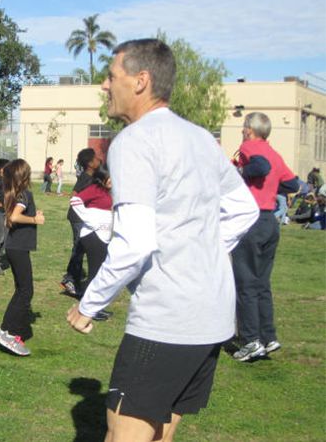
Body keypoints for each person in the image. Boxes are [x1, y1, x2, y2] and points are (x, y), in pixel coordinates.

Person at [66, 39, 258, 441]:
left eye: (111, 76)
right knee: (162, 431)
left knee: (125, 433)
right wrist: (194, 249)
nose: (104, 85)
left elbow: (133, 243)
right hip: (212, 317)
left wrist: (90, 302)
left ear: (141, 81)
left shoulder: (135, 141)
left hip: (167, 319)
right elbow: (245, 209)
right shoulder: (202, 138)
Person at [232, 112, 299, 362]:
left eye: (243, 127)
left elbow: (261, 167)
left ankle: (250, 341)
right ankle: (268, 336)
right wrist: (271, 186)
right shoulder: (275, 152)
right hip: (270, 221)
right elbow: (293, 185)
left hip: (251, 219)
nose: (242, 131)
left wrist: (241, 173)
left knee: (245, 282)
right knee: (261, 283)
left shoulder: (250, 147)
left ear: (250, 130)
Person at [0, 159, 45, 357]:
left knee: (22, 289)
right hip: (18, 248)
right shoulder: (24, 194)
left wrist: (33, 216)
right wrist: (34, 219)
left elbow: (9, 217)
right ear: (24, 175)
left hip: (15, 247)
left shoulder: (13, 193)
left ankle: (4, 330)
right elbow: (13, 217)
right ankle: (11, 334)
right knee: (26, 291)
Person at [69, 166, 113, 321]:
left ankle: (96, 306)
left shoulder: (108, 191)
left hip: (103, 236)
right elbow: (75, 200)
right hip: (93, 236)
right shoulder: (95, 188)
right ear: (102, 178)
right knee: (95, 272)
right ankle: (89, 309)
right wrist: (89, 218)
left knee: (100, 271)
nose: (112, 181)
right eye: (110, 178)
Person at [61, 148, 101, 295]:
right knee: (79, 247)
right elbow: (74, 195)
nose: (99, 160)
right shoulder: (86, 177)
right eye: (96, 159)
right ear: (90, 163)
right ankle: (70, 279)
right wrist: (83, 208)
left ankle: (72, 279)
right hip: (77, 218)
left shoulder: (92, 176)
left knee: (82, 247)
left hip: (83, 218)